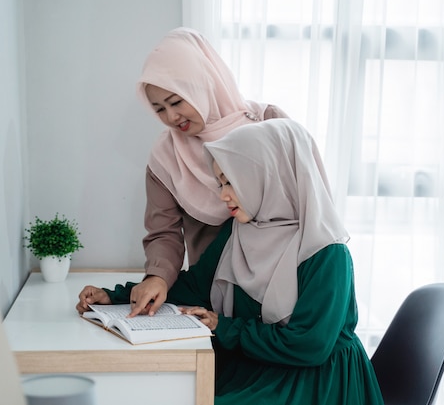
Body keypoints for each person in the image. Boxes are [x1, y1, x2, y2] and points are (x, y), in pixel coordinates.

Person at [76, 119, 384, 405]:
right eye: (221, 183)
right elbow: (195, 288)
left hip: (316, 381)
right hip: (259, 365)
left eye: (231, 183)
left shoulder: (327, 253)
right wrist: (115, 297)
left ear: (270, 177)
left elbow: (308, 346)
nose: (223, 196)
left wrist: (224, 327)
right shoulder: (239, 232)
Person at [77, 27, 289, 316]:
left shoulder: (267, 124)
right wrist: (157, 277)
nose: (171, 117)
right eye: (159, 109)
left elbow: (303, 203)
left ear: (204, 85)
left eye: (176, 102)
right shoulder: (166, 158)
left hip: (283, 290)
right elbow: (163, 232)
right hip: (213, 295)